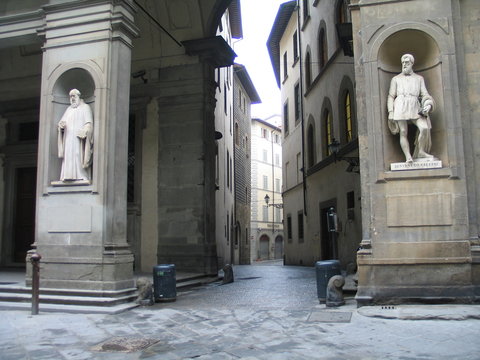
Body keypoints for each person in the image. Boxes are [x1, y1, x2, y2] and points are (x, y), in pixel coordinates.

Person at [387, 54, 435, 163]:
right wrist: (391, 112)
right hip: (400, 105)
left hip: (414, 105)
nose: (404, 65)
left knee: (424, 128)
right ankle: (408, 157)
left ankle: (421, 151)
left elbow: (425, 94)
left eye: (407, 63)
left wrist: (428, 104)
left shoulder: (419, 79)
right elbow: (390, 96)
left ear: (412, 64)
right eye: (403, 63)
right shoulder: (396, 79)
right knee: (403, 131)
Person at [57, 89, 93, 181]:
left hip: (78, 138)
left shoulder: (85, 107)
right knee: (68, 155)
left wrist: (85, 131)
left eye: (74, 96)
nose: (72, 98)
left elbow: (88, 123)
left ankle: (81, 175)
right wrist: (61, 126)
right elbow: (61, 123)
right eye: (71, 96)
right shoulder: (68, 110)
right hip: (68, 138)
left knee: (78, 154)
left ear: (78, 96)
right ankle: (67, 175)